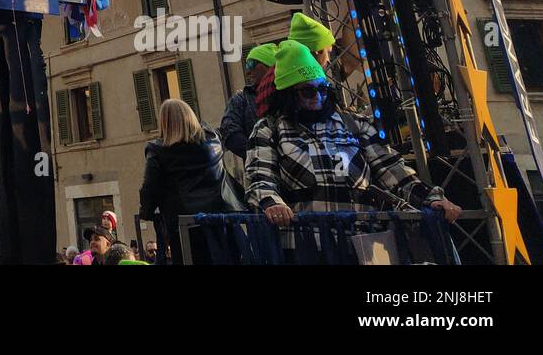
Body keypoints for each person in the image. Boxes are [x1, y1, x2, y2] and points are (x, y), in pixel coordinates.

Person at [245, 41, 463, 235]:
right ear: (289, 95)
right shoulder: (269, 130)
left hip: (364, 240)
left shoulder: (354, 124)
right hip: (311, 245)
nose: (318, 98)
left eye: (323, 89)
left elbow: (392, 169)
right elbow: (259, 177)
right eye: (308, 92)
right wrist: (272, 204)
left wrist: (431, 198)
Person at [139, 99, 231, 265]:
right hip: (219, 221)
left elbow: (150, 188)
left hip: (183, 228)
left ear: (164, 123)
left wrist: (146, 212)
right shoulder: (214, 140)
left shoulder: (158, 151)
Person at [254, 12, 337, 118]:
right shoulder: (287, 79)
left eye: (323, 89)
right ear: (318, 50)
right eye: (328, 52)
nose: (329, 60)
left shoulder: (278, 73)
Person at [220, 42, 277, 155]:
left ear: (269, 64)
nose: (247, 72)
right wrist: (258, 155)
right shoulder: (241, 99)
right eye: (246, 66)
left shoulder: (289, 91)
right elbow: (229, 131)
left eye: (251, 64)